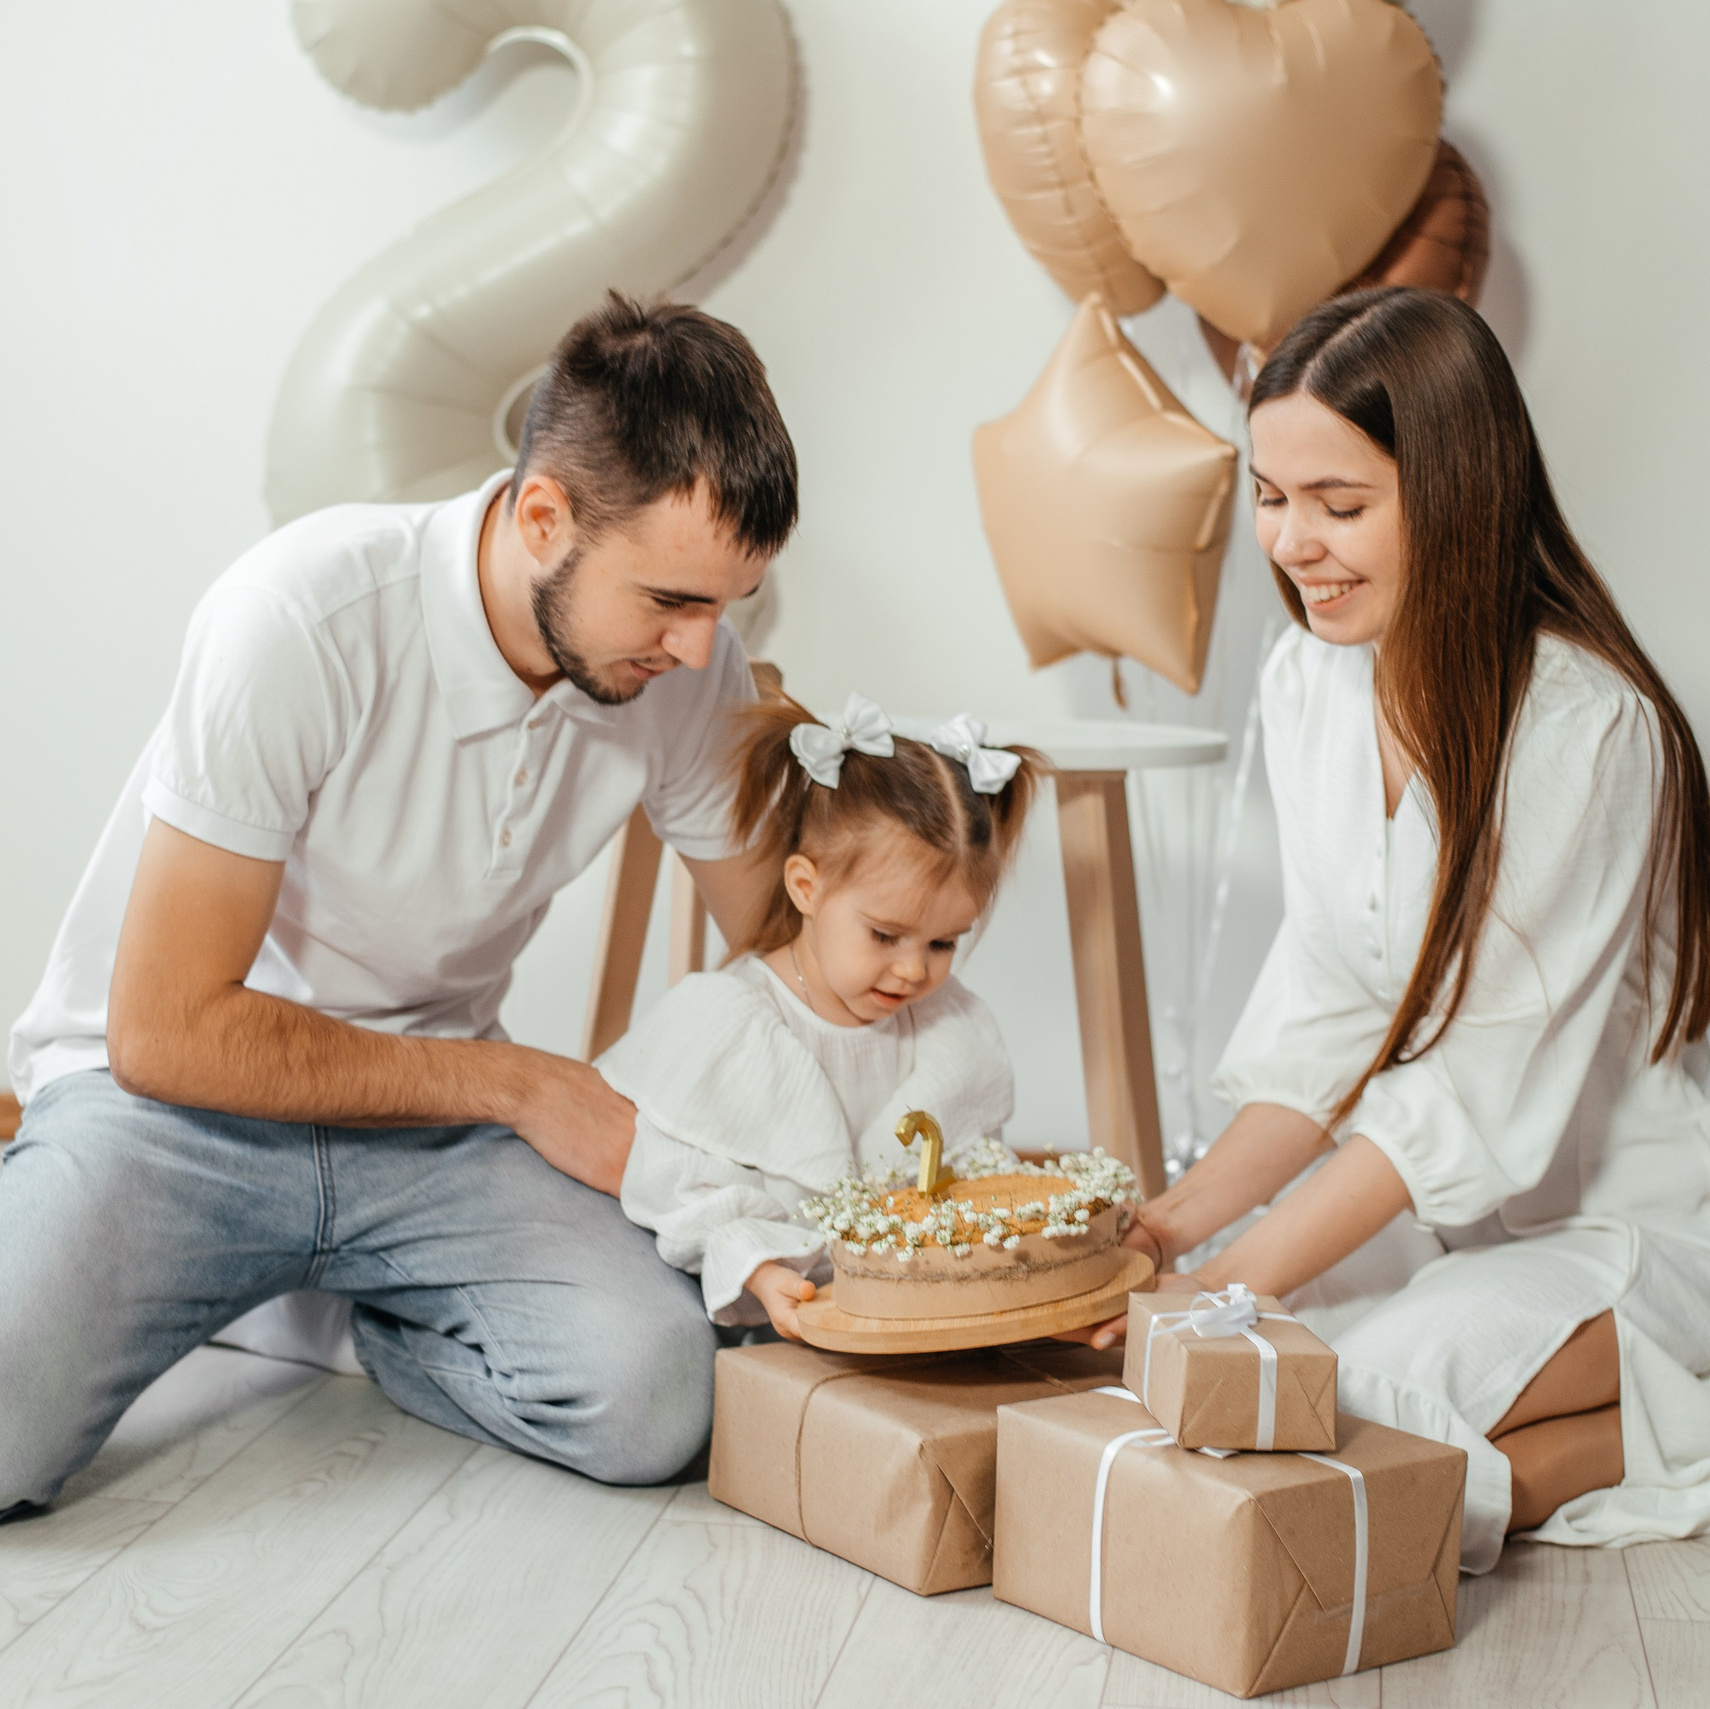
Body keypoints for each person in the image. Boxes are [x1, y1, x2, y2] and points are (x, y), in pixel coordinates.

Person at [0, 293, 798, 1513]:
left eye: (724, 606)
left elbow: (784, 947)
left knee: (653, 1397)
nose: (698, 649)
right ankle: (169, 1241)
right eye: (671, 602)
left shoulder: (683, 674)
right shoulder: (300, 615)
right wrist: (526, 1084)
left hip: (424, 1134)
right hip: (172, 1110)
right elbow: (165, 1032)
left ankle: (339, 1303)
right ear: (545, 516)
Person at [1088, 286, 1710, 1573]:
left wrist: (1229, 1283)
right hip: (1449, 1227)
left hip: (1632, 1234)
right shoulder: (1310, 680)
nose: (1293, 542)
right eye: (1271, 494)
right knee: (1236, 1395)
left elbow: (1470, 1090)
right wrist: (1168, 1230)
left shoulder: (1586, 729)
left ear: (1458, 489)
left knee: (1338, 1392)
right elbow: (1328, 1013)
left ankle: (1649, 1413)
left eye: (1341, 502)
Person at [601, 695, 1038, 1340]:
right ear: (806, 887)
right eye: (886, 936)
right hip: (751, 1309)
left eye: (943, 943)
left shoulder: (948, 1030)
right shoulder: (733, 1024)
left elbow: (962, 1171)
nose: (916, 971)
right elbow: (676, 1188)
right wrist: (754, 1266)